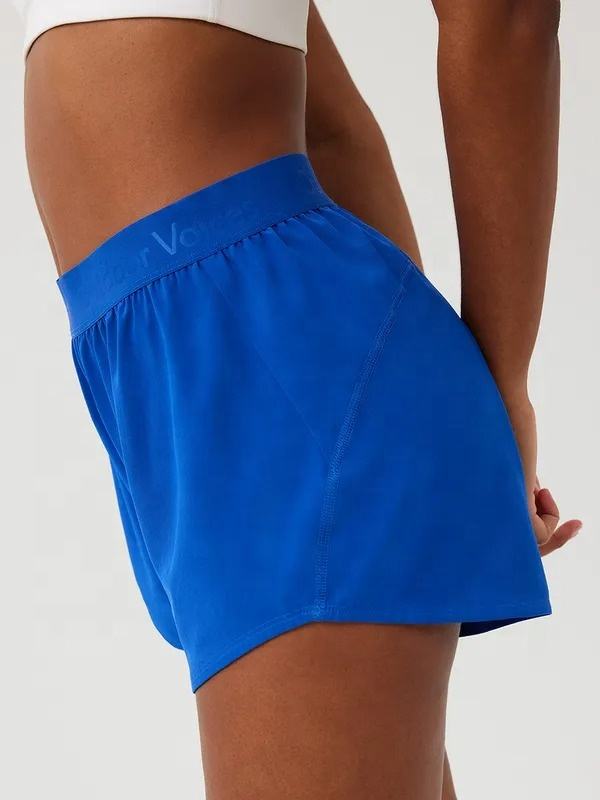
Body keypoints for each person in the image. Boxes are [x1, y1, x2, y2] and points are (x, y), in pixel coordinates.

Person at [15, 1, 580, 797]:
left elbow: (507, 17)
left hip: (279, 367)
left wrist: (503, 388)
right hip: (182, 378)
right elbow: (331, 132)